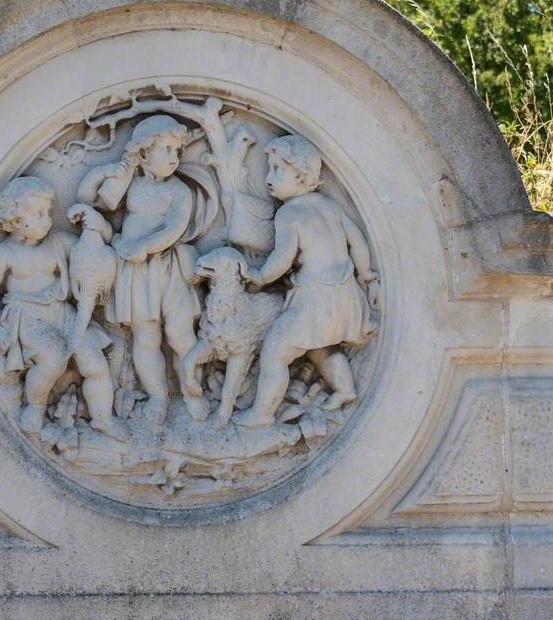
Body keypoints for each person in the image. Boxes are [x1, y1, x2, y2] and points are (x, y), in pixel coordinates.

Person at [235, 134, 380, 427]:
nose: (268, 177)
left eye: (277, 169)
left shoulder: (290, 213)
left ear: (301, 174)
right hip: (344, 296)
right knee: (320, 347)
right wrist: (368, 276)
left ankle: (262, 414)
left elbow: (281, 258)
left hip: (313, 297)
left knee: (276, 350)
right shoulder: (330, 207)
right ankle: (344, 388)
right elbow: (358, 243)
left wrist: (259, 276)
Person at [76, 114, 210, 424]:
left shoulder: (179, 190)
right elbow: (93, 203)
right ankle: (158, 398)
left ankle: (193, 391)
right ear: (144, 151)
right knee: (145, 338)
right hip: (134, 273)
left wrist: (144, 246)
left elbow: (174, 228)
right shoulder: (130, 183)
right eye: (166, 149)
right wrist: (105, 173)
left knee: (180, 335)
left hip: (166, 267)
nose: (174, 158)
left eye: (178, 151)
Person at [0, 175, 121, 438]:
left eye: (48, 212)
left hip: (62, 312)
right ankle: (36, 406)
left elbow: (92, 250)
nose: (47, 219)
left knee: (94, 360)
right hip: (27, 316)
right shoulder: (5, 254)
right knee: (53, 359)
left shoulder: (58, 241)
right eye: (38, 213)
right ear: (16, 220)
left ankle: (103, 417)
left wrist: (97, 226)